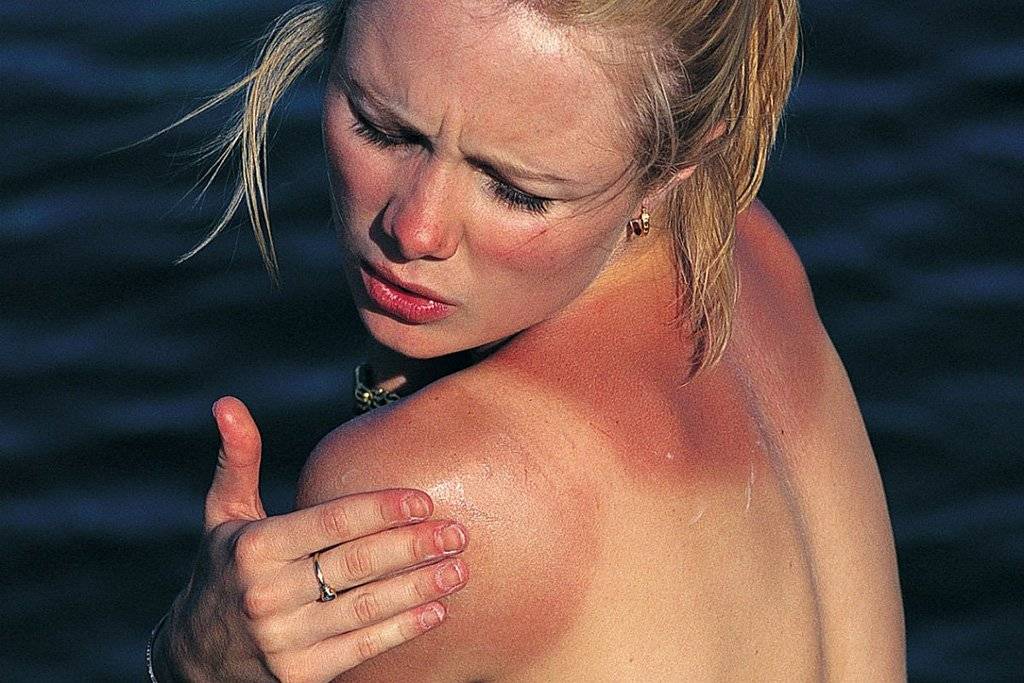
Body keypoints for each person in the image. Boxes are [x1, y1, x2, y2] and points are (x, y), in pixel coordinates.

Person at [151, 0, 907, 680]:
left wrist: (202, 658)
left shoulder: (428, 499)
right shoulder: (752, 253)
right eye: (382, 127)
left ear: (673, 166)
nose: (415, 229)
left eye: (517, 190)